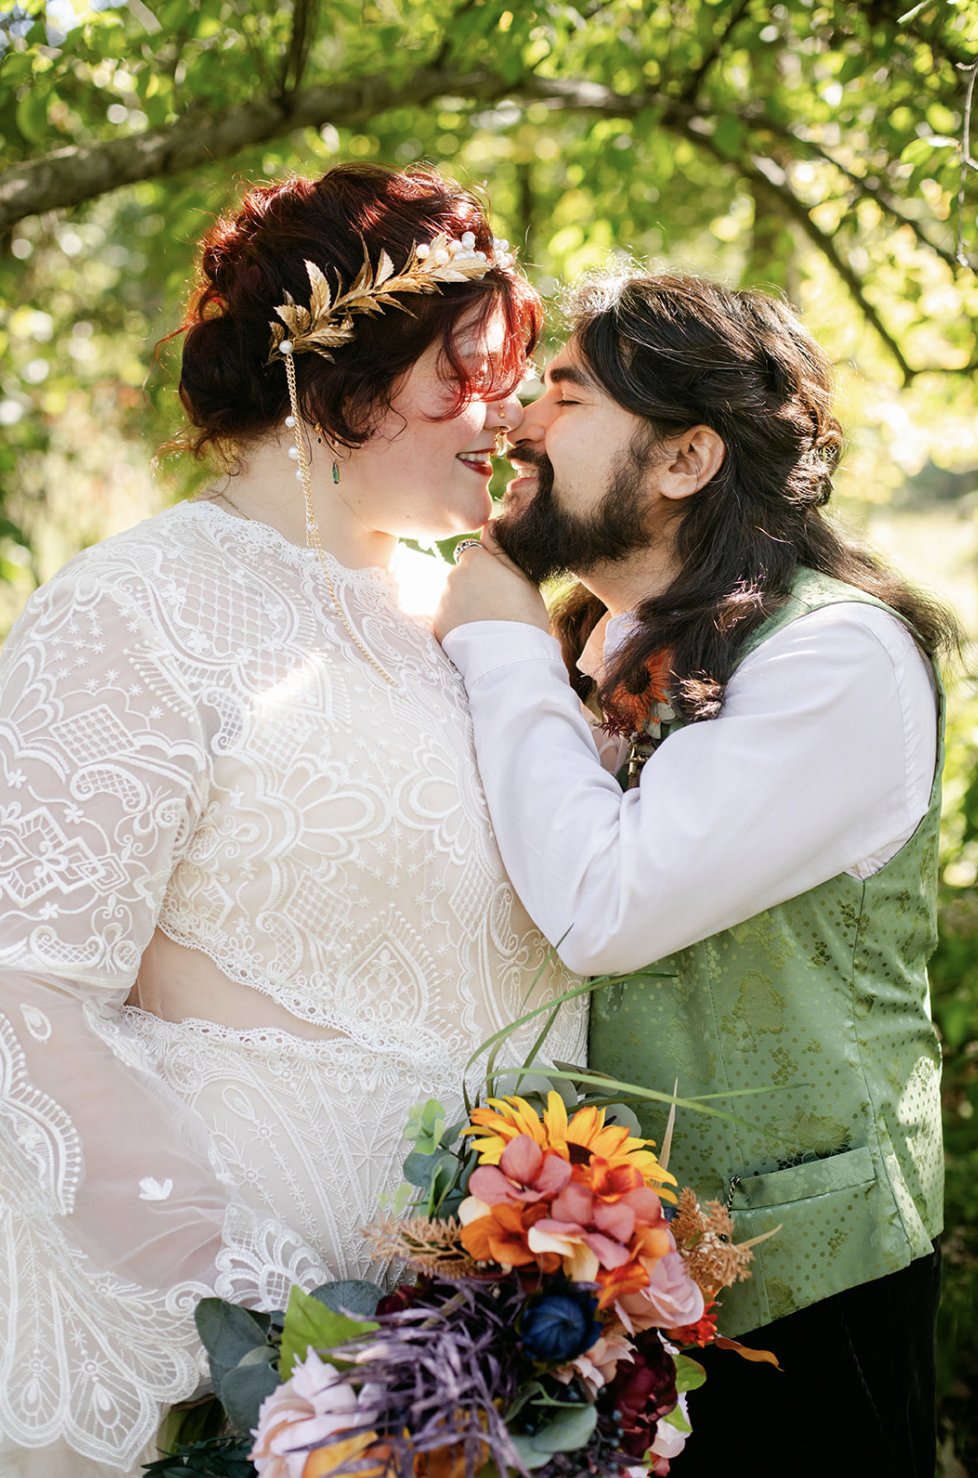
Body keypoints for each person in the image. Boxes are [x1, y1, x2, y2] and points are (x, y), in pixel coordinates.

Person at [0, 163, 585, 1478]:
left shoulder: (472, 612)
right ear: (334, 379)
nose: (502, 414)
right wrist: (263, 1317)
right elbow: (26, 997)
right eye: (462, 373)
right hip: (217, 1385)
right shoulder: (134, 612)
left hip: (483, 1373)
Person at [434, 271, 954, 1478]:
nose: (516, 420)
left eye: (565, 394)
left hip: (807, 1313)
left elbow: (604, 904)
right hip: (577, 1299)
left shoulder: (838, 661)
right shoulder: (595, 642)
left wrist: (504, 639)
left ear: (683, 460)